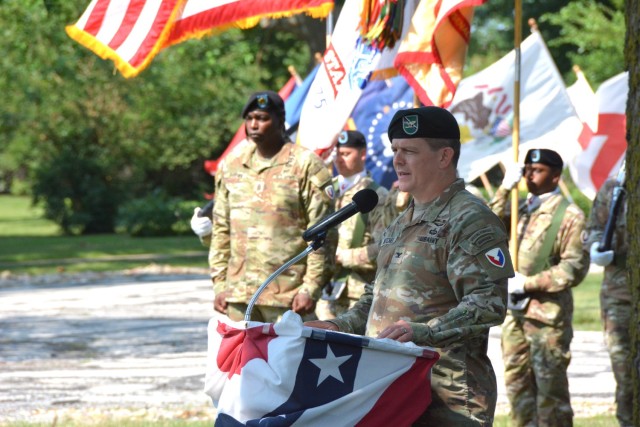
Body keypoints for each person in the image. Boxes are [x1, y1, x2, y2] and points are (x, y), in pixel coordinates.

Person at [306, 106, 514, 426]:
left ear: (444, 157)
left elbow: (489, 303)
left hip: (448, 396)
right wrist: (338, 326)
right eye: (395, 151)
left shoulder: (469, 219)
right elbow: (375, 298)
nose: (397, 160)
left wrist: (422, 333)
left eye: (410, 152)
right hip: (395, 388)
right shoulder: (402, 221)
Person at [207, 90, 337, 323]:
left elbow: (323, 232)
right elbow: (221, 230)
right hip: (239, 294)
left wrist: (311, 287)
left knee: (288, 360)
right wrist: (219, 284)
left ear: (280, 121)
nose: (254, 124)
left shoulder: (305, 165)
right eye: (250, 119)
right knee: (240, 360)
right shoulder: (232, 165)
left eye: (263, 118)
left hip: (288, 295)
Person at [489, 148, 590, 427]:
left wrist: (528, 283)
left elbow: (574, 268)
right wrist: (504, 188)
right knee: (517, 385)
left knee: (550, 390)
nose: (530, 175)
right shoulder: (519, 207)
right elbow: (484, 224)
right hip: (515, 313)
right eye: (527, 170)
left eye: (538, 170)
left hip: (546, 314)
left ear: (556, 177)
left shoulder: (569, 215)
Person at [315, 130, 388, 319]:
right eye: (337, 154)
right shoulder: (325, 190)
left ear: (362, 154)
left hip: (355, 295)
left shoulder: (376, 195)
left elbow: (386, 248)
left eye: (346, 154)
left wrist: (344, 257)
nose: (339, 159)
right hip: (319, 290)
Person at [583, 173, 632, 427]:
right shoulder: (615, 187)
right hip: (619, 294)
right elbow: (593, 228)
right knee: (626, 377)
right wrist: (595, 247)